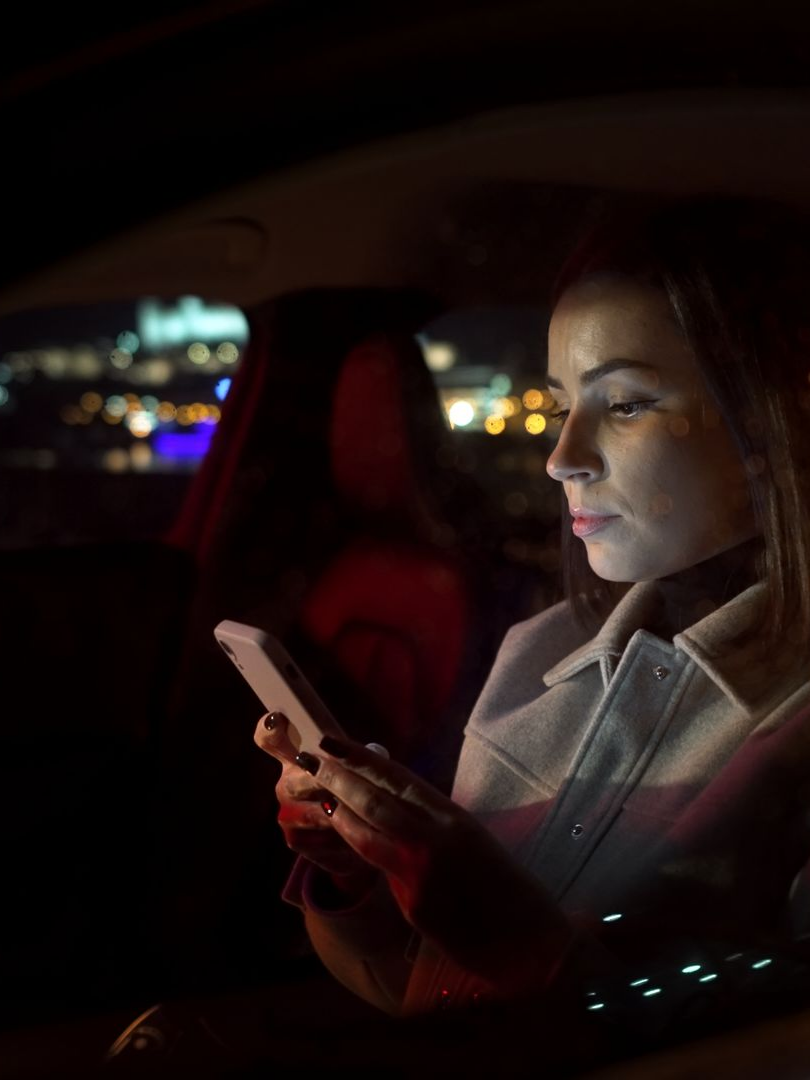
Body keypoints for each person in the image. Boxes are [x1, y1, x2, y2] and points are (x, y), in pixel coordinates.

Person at [254, 195, 810, 1053]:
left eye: (623, 405)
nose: (560, 457)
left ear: (769, 424)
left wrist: (513, 940)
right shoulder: (537, 657)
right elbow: (424, 991)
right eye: (559, 405)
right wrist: (369, 877)